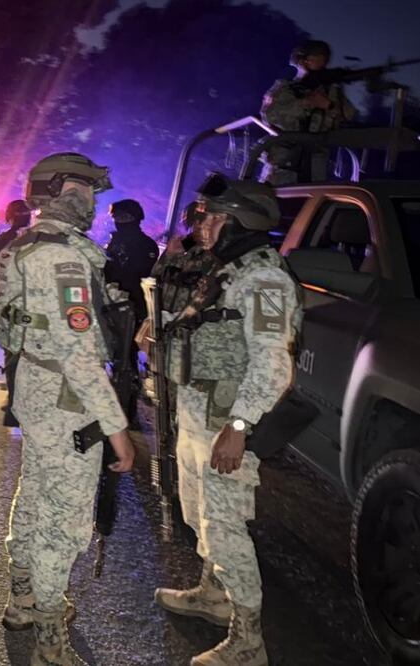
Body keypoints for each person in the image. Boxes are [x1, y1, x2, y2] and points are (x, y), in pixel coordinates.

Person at [0, 152, 135, 665]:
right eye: (86, 188)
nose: (93, 200)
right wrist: (117, 428)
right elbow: (79, 353)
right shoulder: (64, 257)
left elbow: (5, 329)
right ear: (59, 190)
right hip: (70, 398)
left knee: (35, 493)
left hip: (35, 386)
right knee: (66, 518)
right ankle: (50, 638)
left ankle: (23, 598)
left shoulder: (21, 246)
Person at [154, 174, 301, 666]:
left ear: (241, 222)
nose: (205, 226)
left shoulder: (264, 280)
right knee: (199, 514)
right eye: (204, 215)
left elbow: (274, 364)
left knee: (226, 528)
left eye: (215, 217)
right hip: (201, 412)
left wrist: (239, 428)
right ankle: (211, 595)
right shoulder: (228, 272)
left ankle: (248, 641)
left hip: (227, 424)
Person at [260, 39, 357, 185]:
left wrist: (330, 104)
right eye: (315, 57)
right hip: (283, 167)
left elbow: (348, 117)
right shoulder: (285, 89)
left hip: (316, 168)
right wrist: (307, 103)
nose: (321, 62)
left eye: (324, 58)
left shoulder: (331, 92)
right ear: (302, 61)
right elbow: (270, 116)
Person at [0, 199, 33, 428]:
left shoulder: (2, 241)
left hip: (7, 308)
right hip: (32, 309)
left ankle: (15, 405)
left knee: (12, 356)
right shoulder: (37, 239)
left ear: (9, 217)